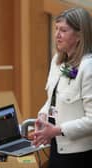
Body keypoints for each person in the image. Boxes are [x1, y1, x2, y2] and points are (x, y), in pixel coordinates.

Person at [32, 7, 92, 168]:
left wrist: (57, 130)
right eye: (56, 29)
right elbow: (52, 99)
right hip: (57, 145)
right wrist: (43, 117)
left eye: (63, 30)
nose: (57, 35)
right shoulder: (58, 61)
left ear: (79, 35)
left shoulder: (88, 68)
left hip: (79, 155)